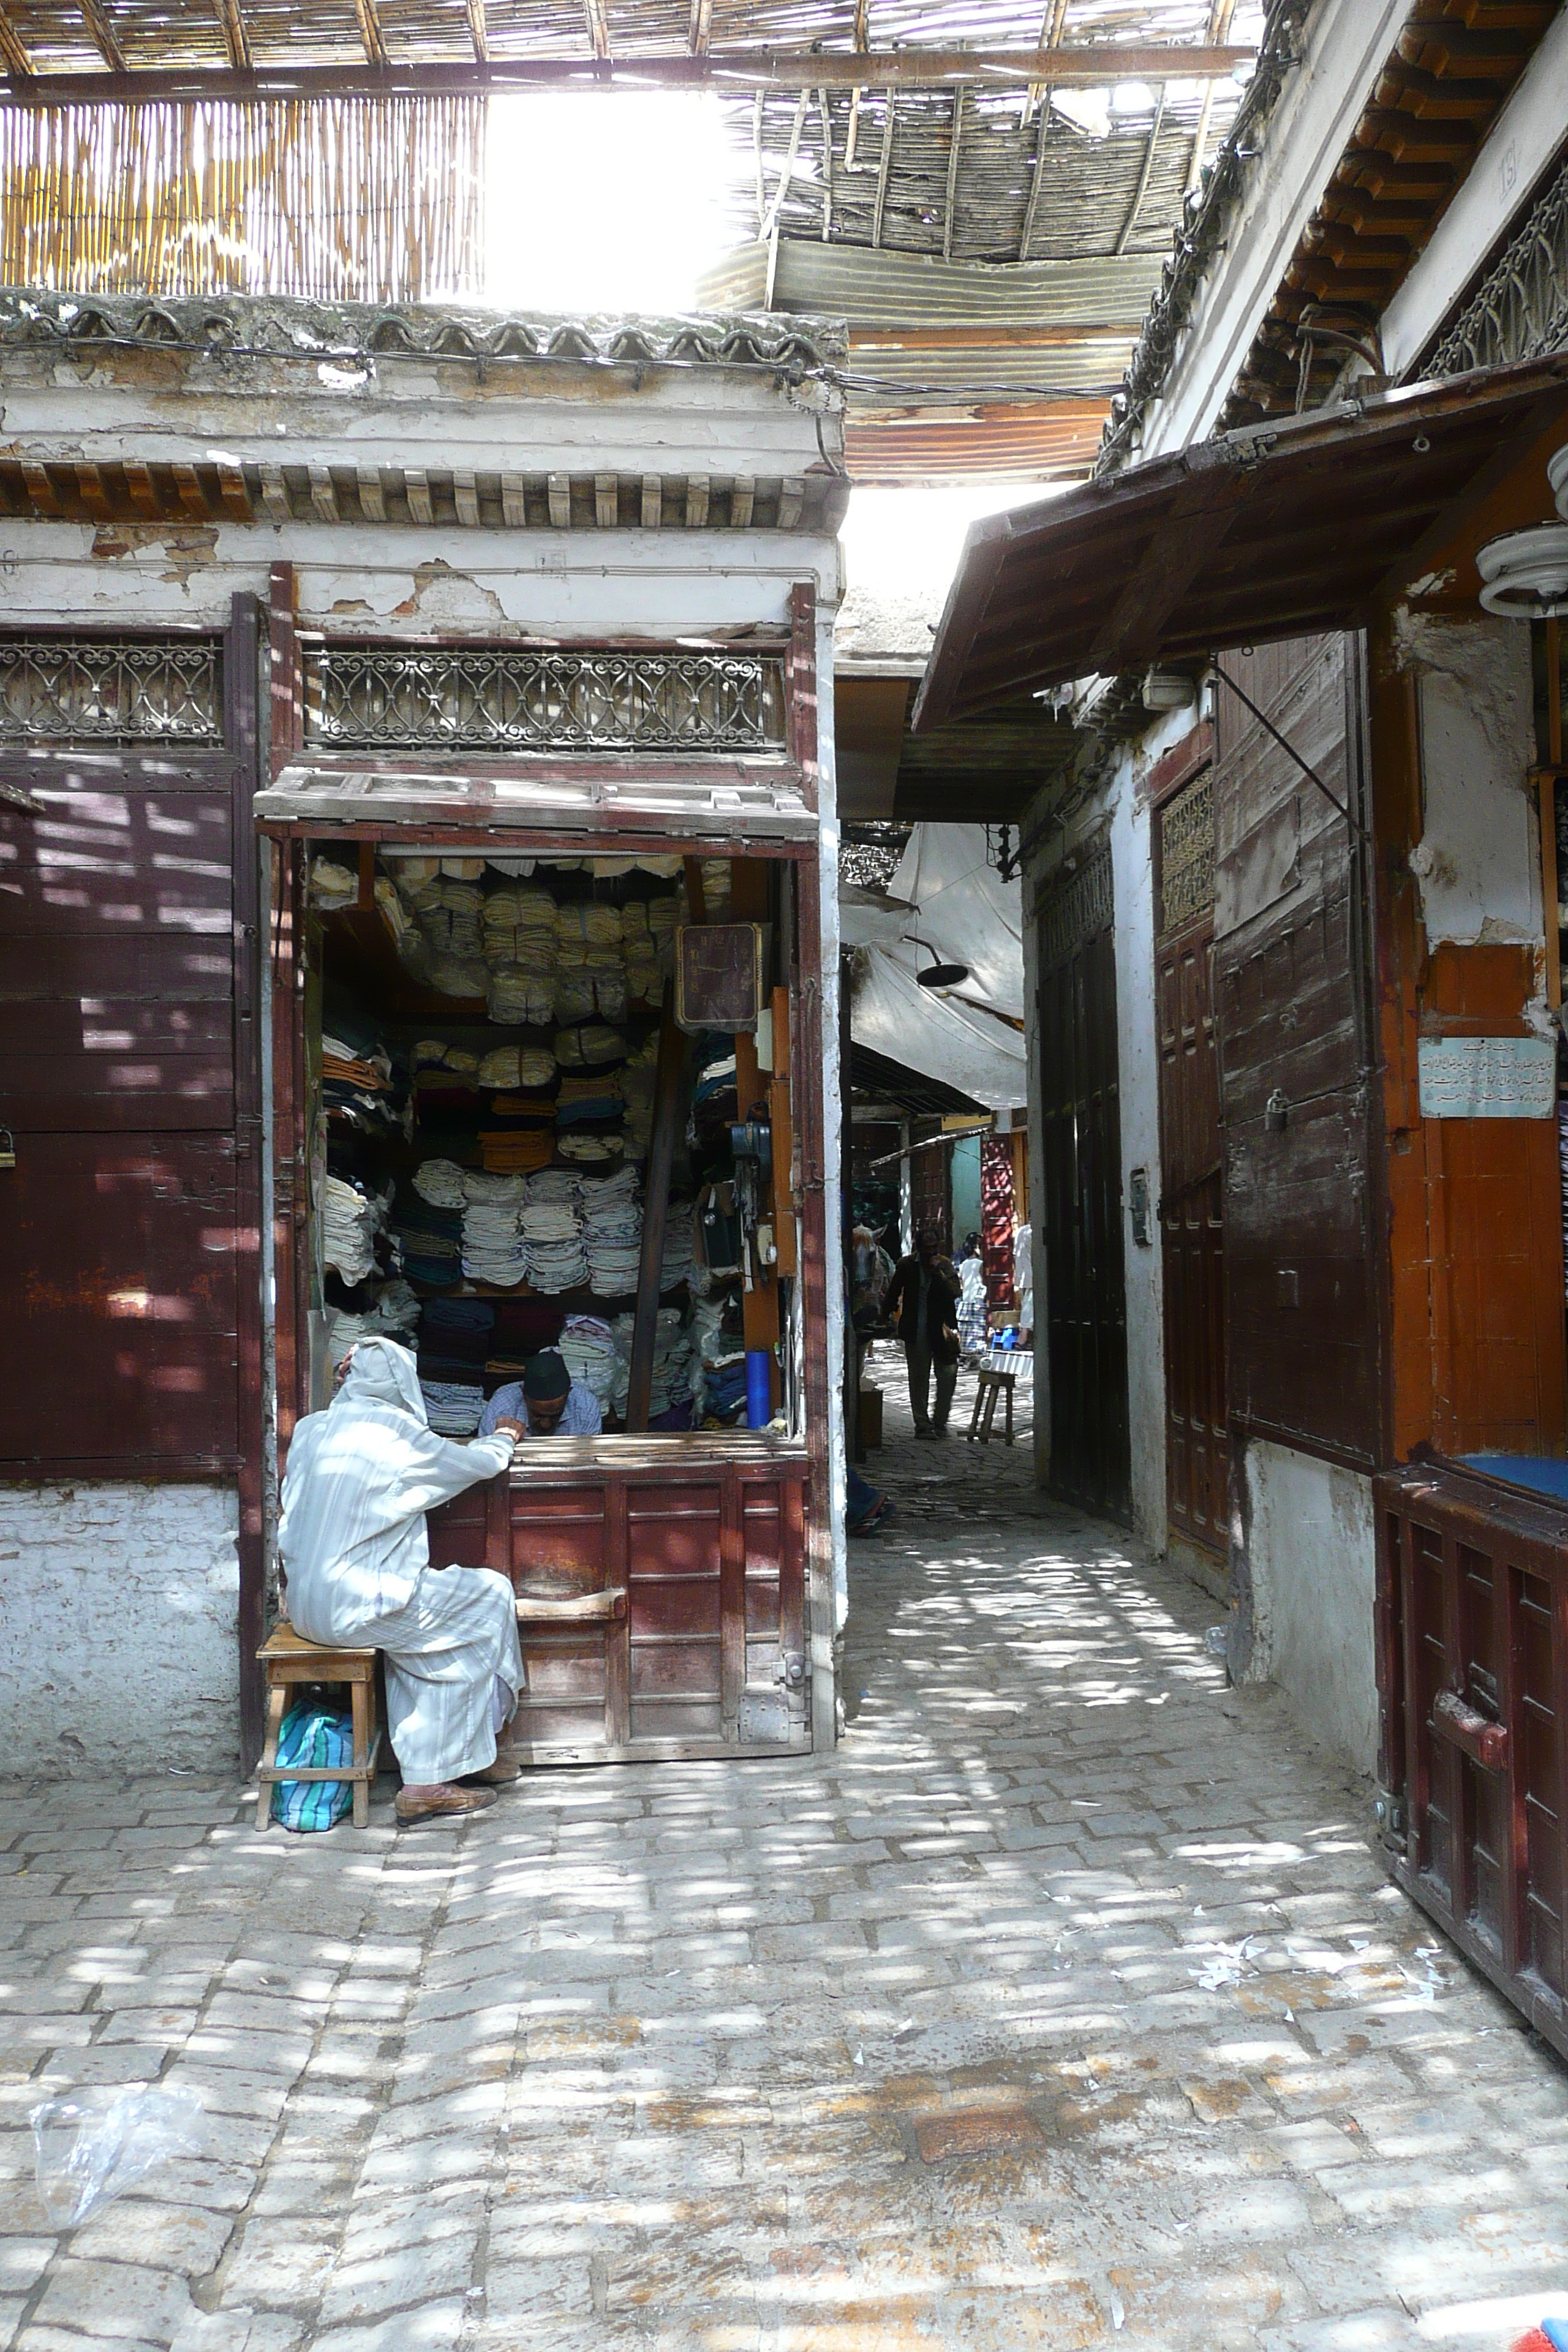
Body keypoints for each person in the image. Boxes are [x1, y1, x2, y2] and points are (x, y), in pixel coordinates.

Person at [279, 1337, 525, 1828]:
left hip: (306, 1608)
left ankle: (452, 1764)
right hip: (361, 1608)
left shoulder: (310, 1430)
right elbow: (476, 1465)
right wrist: (505, 1436)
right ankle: (453, 1765)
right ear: (401, 1384)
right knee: (490, 1597)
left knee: (424, 1639)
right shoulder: (397, 1433)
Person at [883, 1226, 962, 1439]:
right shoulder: (907, 1265)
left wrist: (938, 1273)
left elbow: (955, 1291)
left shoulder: (944, 1265)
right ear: (919, 1248)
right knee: (919, 1377)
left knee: (948, 1374)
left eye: (934, 1247)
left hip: (941, 1328)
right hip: (915, 1328)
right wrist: (884, 1317)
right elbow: (893, 1292)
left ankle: (940, 1420)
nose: (931, 1252)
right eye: (927, 1248)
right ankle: (922, 1423)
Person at [478, 1348, 602, 1441]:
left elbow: (589, 1457)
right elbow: (486, 1458)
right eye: (538, 1415)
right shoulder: (502, 1405)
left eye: (555, 1415)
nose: (545, 1424)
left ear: (569, 1393)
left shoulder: (586, 1406)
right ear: (523, 1395)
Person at [956, 1230, 989, 1358]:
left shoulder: (963, 1265)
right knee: (977, 1329)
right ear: (976, 1248)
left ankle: (966, 1352)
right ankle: (978, 1352)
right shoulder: (980, 1264)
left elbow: (961, 1284)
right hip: (978, 1300)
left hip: (966, 1301)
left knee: (966, 1330)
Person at [1013, 1219, 1035, 1347]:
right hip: (1033, 1274)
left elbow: (1015, 1254)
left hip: (1023, 1275)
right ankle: (1024, 1336)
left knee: (1027, 1304)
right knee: (1030, 1306)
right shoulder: (1033, 1232)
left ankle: (1026, 1336)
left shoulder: (1021, 1231)